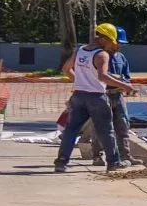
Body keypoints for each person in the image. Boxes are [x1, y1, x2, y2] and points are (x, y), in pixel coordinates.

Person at [55, 24, 135, 172]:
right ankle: (113, 162)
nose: (112, 44)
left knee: (71, 129)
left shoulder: (79, 50)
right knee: (106, 130)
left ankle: (61, 162)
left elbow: (66, 68)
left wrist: (79, 81)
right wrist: (125, 86)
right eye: (111, 41)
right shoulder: (102, 55)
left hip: (78, 95)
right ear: (104, 38)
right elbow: (103, 76)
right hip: (96, 97)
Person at [102, 26, 134, 165]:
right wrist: (117, 79)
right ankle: (97, 156)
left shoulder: (121, 58)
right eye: (117, 42)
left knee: (123, 124)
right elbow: (102, 75)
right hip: (103, 95)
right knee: (102, 126)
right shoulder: (101, 56)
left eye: (121, 43)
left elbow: (126, 76)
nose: (119, 45)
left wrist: (125, 83)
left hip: (118, 95)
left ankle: (125, 155)